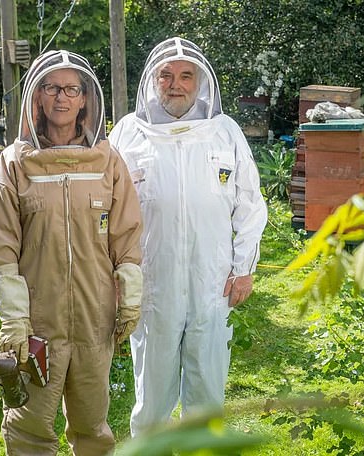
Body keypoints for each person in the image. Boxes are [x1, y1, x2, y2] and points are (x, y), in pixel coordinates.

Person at [0, 50, 143, 456]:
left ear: (86, 98)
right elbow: (1, 248)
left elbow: (126, 237)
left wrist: (131, 298)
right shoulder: (15, 164)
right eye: (52, 88)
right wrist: (14, 318)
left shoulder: (107, 162)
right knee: (29, 428)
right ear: (37, 96)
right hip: (37, 324)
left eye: (72, 89)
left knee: (92, 427)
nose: (62, 98)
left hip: (93, 317)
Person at [108, 37, 268, 437]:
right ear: (153, 80)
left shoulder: (224, 131)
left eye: (185, 76)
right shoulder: (128, 134)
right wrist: (113, 273)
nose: (175, 84)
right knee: (152, 393)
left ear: (200, 83)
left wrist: (244, 268)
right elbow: (104, 210)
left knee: (207, 389)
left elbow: (250, 205)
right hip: (152, 285)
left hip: (212, 282)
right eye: (166, 75)